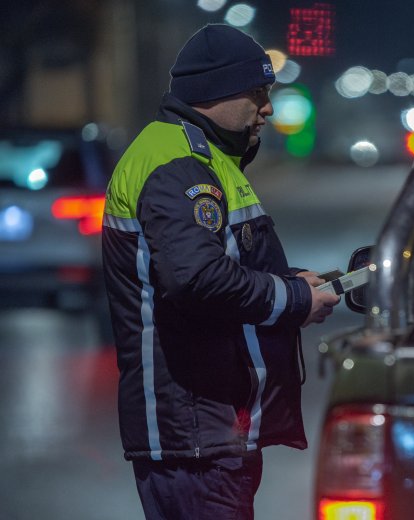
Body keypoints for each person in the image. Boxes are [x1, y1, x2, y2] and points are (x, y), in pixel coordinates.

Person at [101, 23, 340, 519]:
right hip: (194, 437)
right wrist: (294, 301)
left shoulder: (200, 156)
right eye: (258, 93)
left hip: (206, 432)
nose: (268, 108)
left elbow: (220, 260)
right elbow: (195, 278)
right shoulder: (179, 164)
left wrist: (295, 282)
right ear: (215, 93)